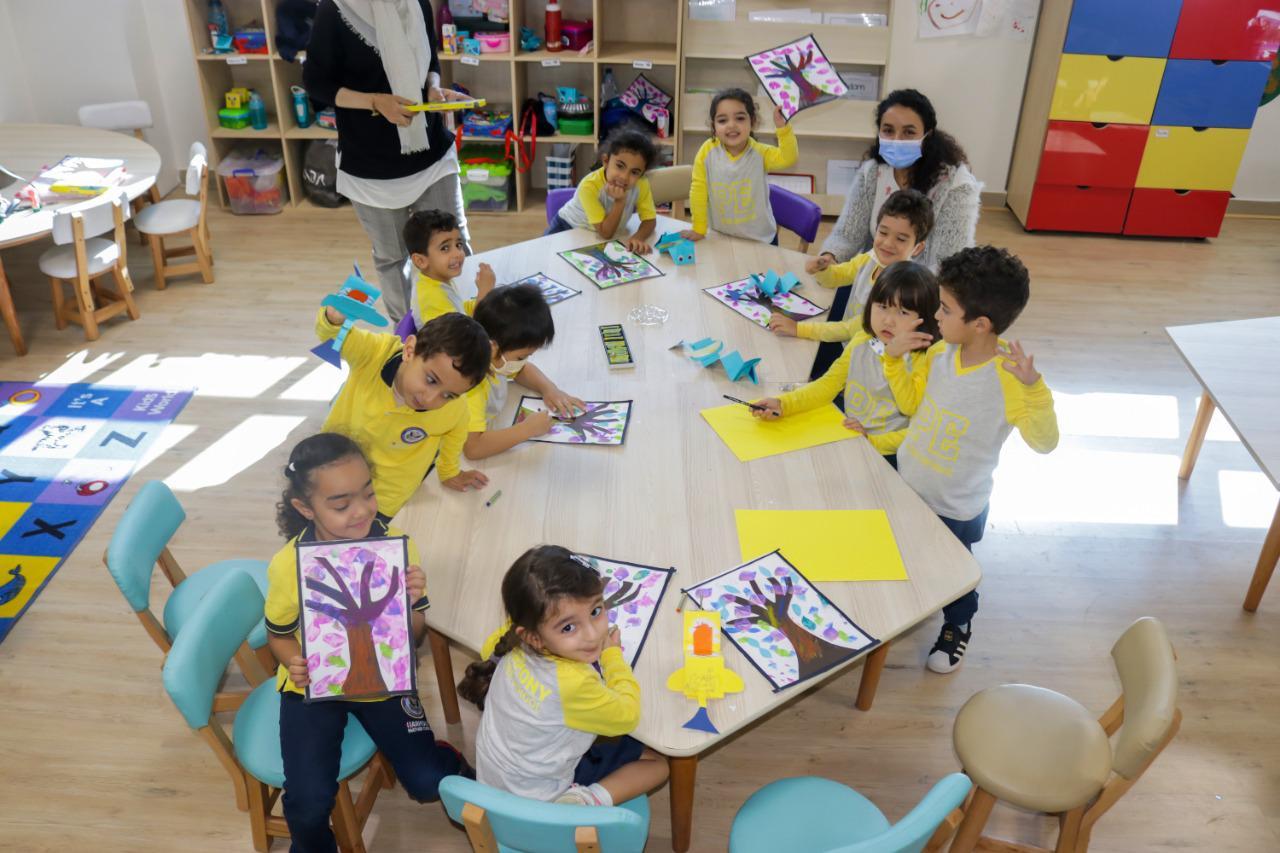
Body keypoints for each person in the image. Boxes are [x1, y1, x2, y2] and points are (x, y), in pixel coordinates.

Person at [266, 433, 471, 850]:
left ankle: (452, 761)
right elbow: (278, 633)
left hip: (383, 679)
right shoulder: (289, 564)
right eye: (341, 505)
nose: (360, 512)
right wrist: (293, 663)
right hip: (314, 685)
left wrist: (412, 605)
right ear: (306, 509)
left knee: (427, 781)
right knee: (306, 802)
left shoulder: (398, 547)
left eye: (368, 494)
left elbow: (413, 637)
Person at [883, 246, 1058, 673]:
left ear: (980, 324)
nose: (935, 317)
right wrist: (894, 360)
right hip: (909, 481)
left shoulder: (1011, 380)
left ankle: (958, 624)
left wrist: (1035, 390)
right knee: (904, 547)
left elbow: (1045, 442)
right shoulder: (941, 354)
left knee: (954, 575)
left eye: (944, 309)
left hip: (955, 506)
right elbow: (910, 404)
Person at [458, 545, 669, 807]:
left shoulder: (510, 641)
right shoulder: (574, 682)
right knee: (658, 763)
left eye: (595, 611)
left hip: (495, 783)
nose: (592, 635)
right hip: (541, 796)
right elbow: (628, 716)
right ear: (533, 637)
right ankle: (581, 800)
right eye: (568, 627)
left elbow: (489, 646)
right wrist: (612, 656)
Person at [304, 0, 474, 323]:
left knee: (454, 242)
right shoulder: (335, 10)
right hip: (370, 165)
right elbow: (316, 82)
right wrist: (374, 101)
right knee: (393, 259)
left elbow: (430, 59)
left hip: (432, 152)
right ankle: (410, 338)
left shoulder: (417, 3)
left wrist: (433, 89)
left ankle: (463, 327)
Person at [809, 88, 980, 377]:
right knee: (825, 358)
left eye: (909, 132)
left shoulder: (955, 185)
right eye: (888, 131)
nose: (897, 140)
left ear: (928, 135)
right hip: (870, 279)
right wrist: (830, 256)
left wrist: (895, 291)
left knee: (882, 373)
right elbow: (848, 234)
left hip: (915, 299)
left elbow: (946, 266)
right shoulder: (872, 172)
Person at [752, 262, 940, 467]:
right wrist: (784, 404)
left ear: (924, 320)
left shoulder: (925, 361)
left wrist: (872, 442)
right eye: (882, 307)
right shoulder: (861, 342)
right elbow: (827, 386)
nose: (888, 320)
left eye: (903, 312)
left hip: (887, 454)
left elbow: (914, 420)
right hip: (850, 436)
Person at [316, 303, 492, 515]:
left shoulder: (454, 409)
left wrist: (449, 472)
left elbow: (456, 433)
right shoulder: (373, 354)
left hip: (385, 500)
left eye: (448, 395)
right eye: (431, 380)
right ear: (409, 350)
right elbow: (333, 337)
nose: (430, 399)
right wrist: (334, 319)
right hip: (328, 474)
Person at [770, 189, 933, 340]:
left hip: (865, 357)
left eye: (901, 239)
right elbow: (836, 277)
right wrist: (821, 269)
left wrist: (798, 329)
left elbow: (848, 329)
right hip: (848, 344)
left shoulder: (901, 289)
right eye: (883, 232)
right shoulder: (871, 259)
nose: (888, 243)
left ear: (917, 248)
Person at [463, 284, 586, 460]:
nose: (523, 362)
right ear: (492, 347)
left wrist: (549, 389)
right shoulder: (471, 385)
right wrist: (526, 430)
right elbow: (473, 448)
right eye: (522, 357)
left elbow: (521, 371)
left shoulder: (492, 357)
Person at [681, 88, 797, 245]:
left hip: (761, 239)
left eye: (740, 118)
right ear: (713, 126)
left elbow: (788, 158)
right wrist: (698, 228)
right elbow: (698, 190)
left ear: (753, 121)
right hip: (721, 236)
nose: (732, 125)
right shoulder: (707, 151)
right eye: (722, 120)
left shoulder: (760, 153)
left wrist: (783, 129)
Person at [545, 129, 659, 253]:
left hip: (597, 236)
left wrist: (637, 238)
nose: (624, 177)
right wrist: (619, 202)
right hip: (567, 227)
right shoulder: (589, 186)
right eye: (620, 166)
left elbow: (650, 220)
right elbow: (606, 233)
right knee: (544, 257)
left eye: (635, 172)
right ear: (606, 161)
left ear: (642, 173)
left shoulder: (641, 183)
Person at [404, 209, 495, 328]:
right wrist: (485, 292)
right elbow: (467, 335)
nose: (458, 253)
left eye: (458, 245)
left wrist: (489, 298)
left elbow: (459, 309)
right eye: (445, 248)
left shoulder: (437, 279)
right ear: (420, 261)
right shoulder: (431, 299)